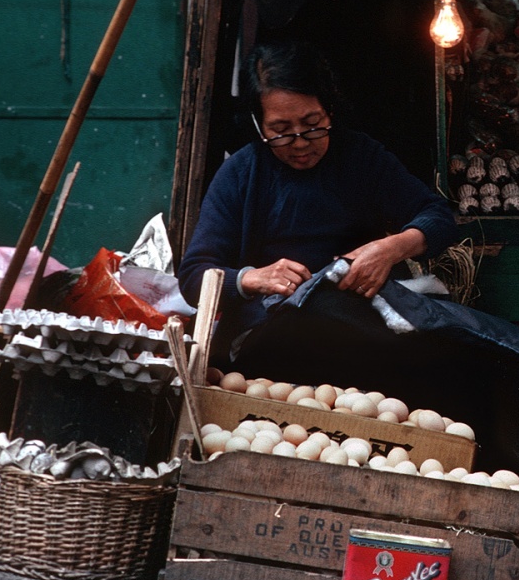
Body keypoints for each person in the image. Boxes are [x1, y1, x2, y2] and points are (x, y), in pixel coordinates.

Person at [177, 41, 458, 358]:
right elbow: (193, 277)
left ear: (329, 110)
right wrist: (251, 278)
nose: (299, 143)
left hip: (362, 324)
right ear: (258, 124)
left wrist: (391, 249)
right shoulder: (240, 174)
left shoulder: (361, 157)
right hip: (270, 333)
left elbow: (438, 216)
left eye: (312, 125)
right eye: (281, 130)